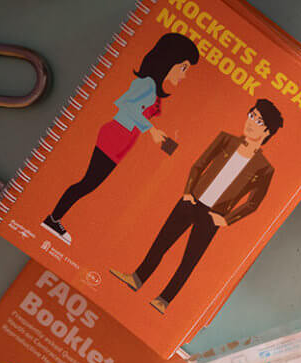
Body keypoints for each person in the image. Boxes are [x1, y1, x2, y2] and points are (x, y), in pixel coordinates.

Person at [109, 99, 284, 314]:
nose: (250, 122)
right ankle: (137, 278)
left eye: (258, 120)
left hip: (213, 216)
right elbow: (199, 165)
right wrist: (187, 192)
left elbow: (253, 202)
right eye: (251, 115)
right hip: (191, 201)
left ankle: (164, 299)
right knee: (162, 241)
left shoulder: (264, 168)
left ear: (267, 131)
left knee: (189, 259)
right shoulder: (226, 139)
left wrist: (227, 220)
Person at [42, 33, 199, 245]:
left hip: (122, 142)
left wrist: (153, 132)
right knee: (87, 183)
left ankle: (54, 218)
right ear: (169, 61)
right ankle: (53, 219)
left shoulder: (154, 89)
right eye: (184, 67)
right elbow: (125, 104)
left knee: (89, 184)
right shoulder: (146, 85)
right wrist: (150, 129)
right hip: (115, 136)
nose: (184, 75)